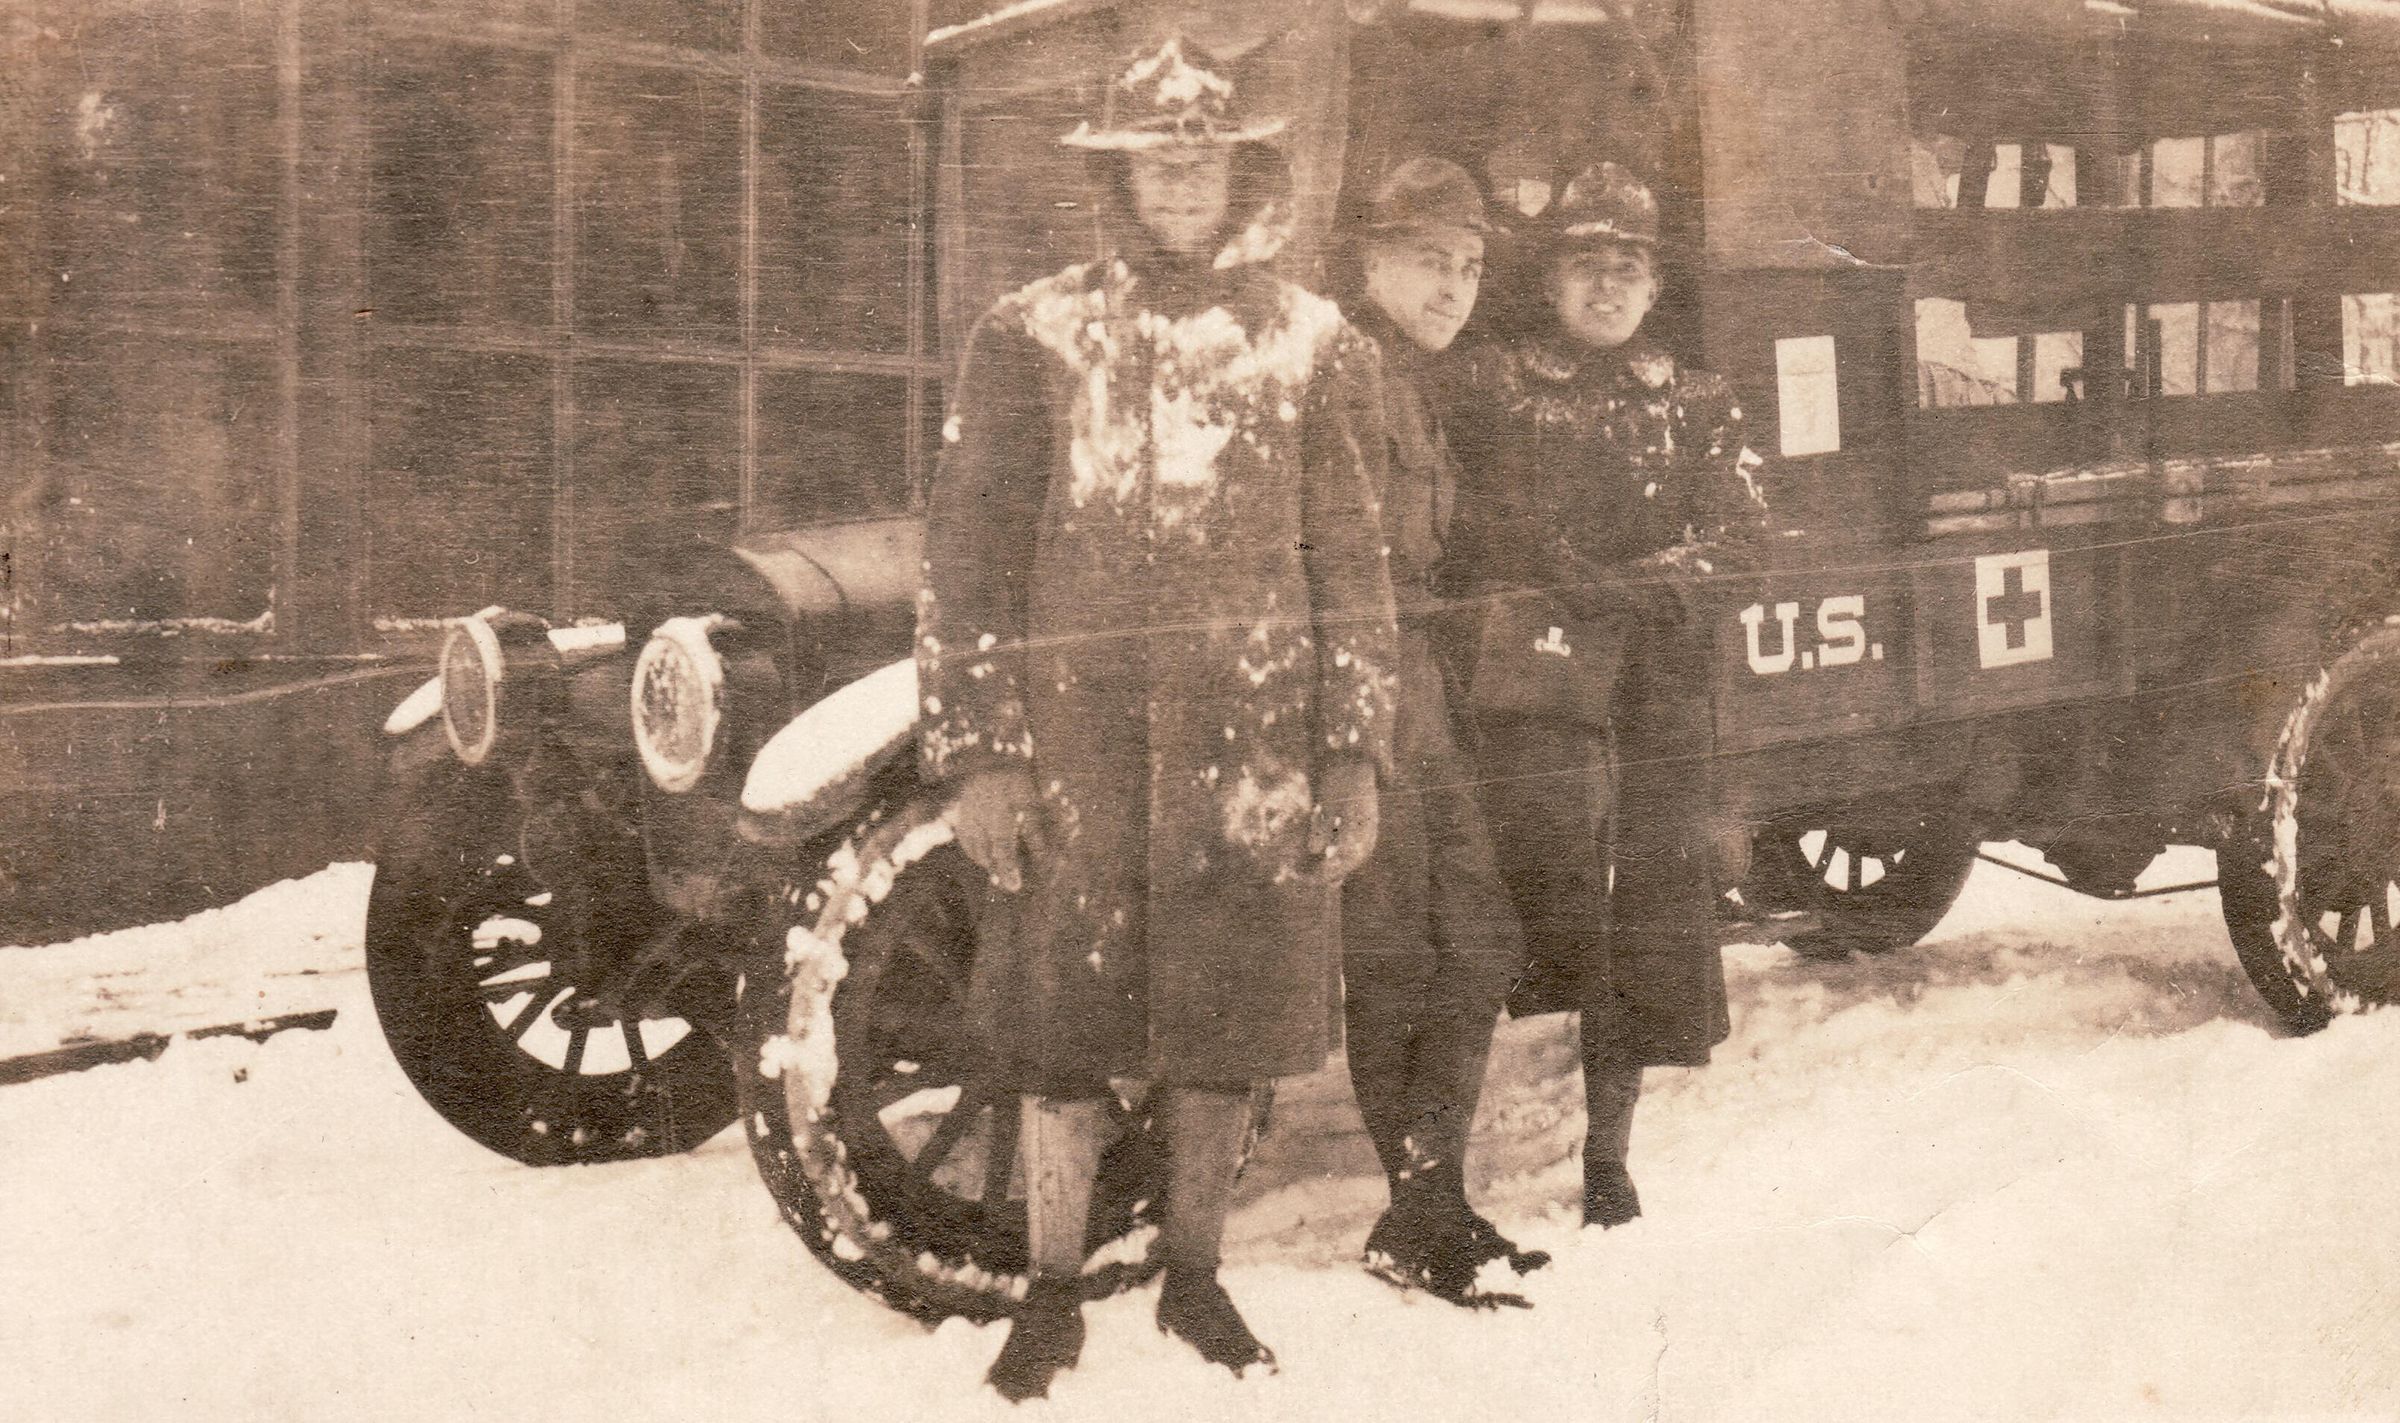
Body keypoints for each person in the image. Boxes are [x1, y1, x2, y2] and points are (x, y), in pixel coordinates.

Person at [914, 38, 1400, 1403]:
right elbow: (969, 558)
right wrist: (983, 754)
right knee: (1059, 1023)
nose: (1182, 181)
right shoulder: (1032, 336)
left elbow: (1353, 561)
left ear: (1245, 171)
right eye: (1155, 160)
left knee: (1226, 1020)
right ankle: (1051, 1291)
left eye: (1206, 159)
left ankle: (1195, 1274)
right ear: (1117, 176)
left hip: (1253, 748)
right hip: (1075, 750)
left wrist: (1352, 754)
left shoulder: (1316, 345)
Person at [1446, 161, 1768, 1231]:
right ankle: (1438, 1174)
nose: (1607, 287)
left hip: (1657, 699)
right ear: (1549, 282)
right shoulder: (1497, 390)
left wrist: (1625, 590)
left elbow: (1742, 544)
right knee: (1522, 904)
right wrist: (1546, 570)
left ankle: (1608, 1155)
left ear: (1653, 284)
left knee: (1646, 922)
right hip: (1533, 694)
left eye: (1627, 267)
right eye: (1585, 264)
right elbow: (1464, 520)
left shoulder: (1698, 403)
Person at [1336, 158, 1547, 1307]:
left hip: (1416, 677)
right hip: (1369, 685)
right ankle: (1421, 1210)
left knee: (1471, 938)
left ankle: (1430, 1201)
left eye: (1468, 266)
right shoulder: (1347, 374)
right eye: (1429, 260)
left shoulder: (1414, 378)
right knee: (1402, 950)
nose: (1454, 286)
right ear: (1372, 262)